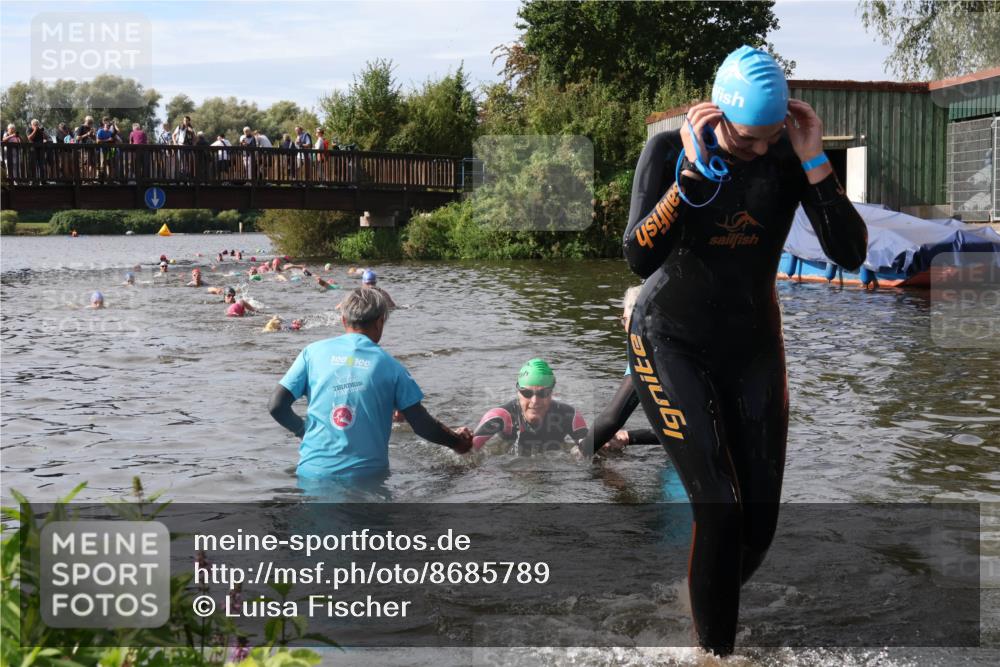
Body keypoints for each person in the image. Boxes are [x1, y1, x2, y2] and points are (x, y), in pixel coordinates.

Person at [620, 45, 867, 657]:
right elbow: (637, 255)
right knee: (720, 508)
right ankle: (715, 654)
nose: (760, 149)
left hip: (752, 346)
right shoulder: (668, 151)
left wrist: (814, 161)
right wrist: (690, 180)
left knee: (757, 527)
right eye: (748, 138)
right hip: (669, 339)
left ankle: (701, 603)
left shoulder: (789, 155)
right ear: (718, 116)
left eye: (771, 135)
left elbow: (852, 254)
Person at [268, 287, 472, 479]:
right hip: (366, 478)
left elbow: (277, 406)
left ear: (343, 319)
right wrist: (457, 442)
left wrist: (303, 431)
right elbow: (422, 425)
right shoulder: (392, 367)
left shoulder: (311, 353)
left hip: (311, 473)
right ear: (380, 322)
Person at [580, 286, 660, 458]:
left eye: (624, 321)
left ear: (638, 320)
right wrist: (630, 437)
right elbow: (685, 426)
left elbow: (611, 419)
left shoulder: (646, 350)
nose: (624, 328)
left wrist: (579, 453)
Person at [472, 359, 588, 456]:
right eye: (527, 393)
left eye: (542, 393)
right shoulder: (501, 416)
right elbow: (468, 450)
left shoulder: (569, 416)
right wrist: (462, 441)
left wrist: (602, 446)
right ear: (518, 392)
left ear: (551, 393)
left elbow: (590, 448)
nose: (535, 401)